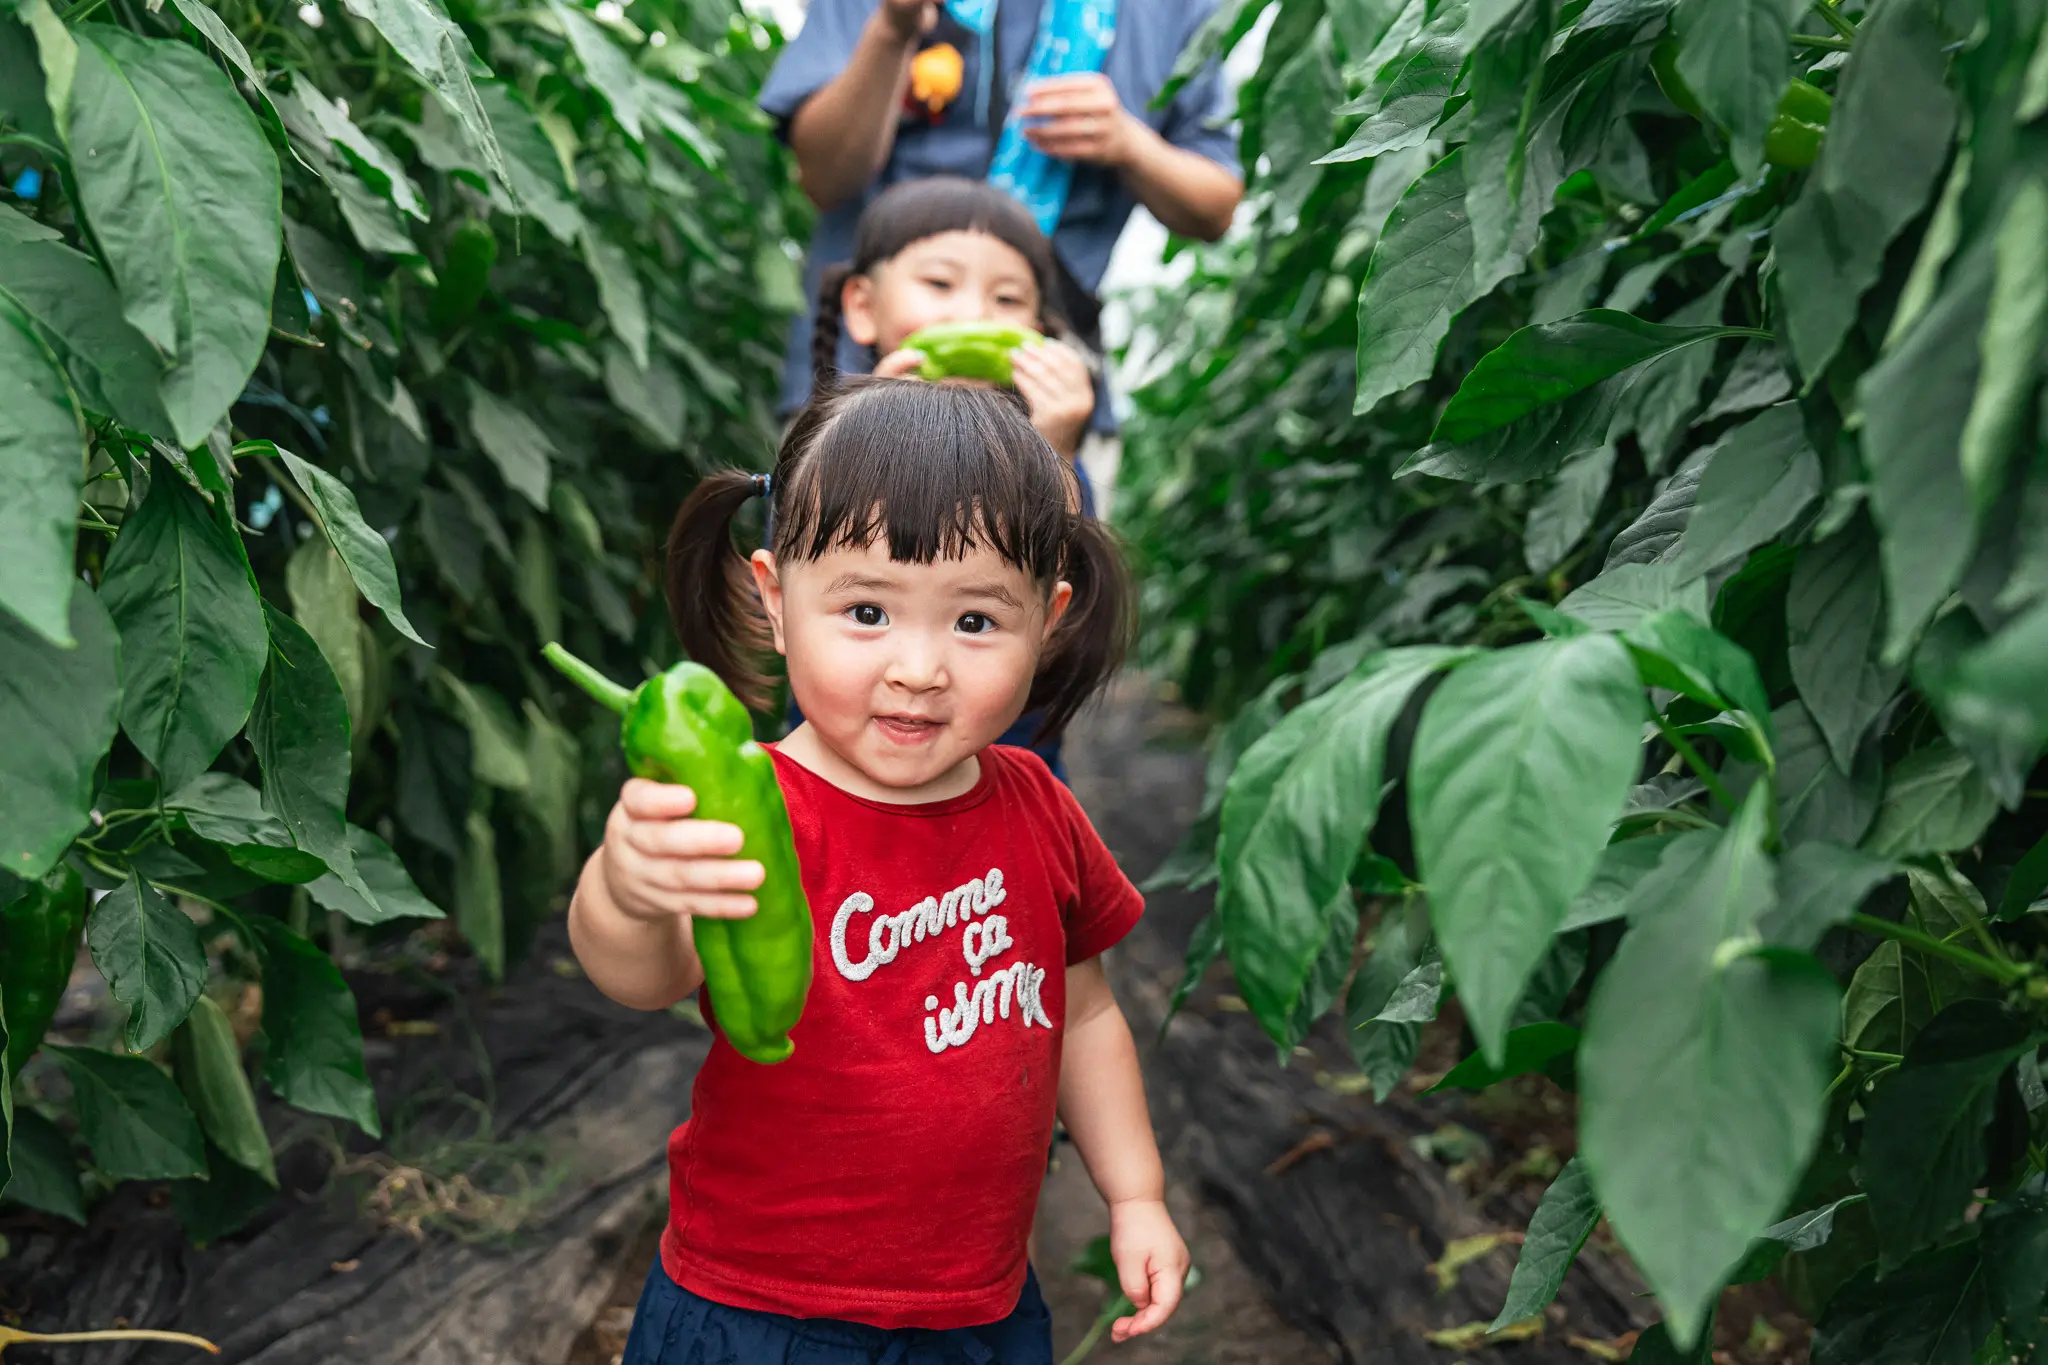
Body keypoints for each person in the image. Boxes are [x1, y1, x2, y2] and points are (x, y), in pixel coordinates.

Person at [573, 378, 1189, 1363]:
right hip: (760, 1312)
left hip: (975, 1307)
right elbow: (642, 976)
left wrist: (1135, 1194)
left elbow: (1085, 1015)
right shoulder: (750, 802)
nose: (918, 667)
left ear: (1049, 618)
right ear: (775, 601)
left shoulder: (1036, 806)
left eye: (975, 622)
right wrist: (626, 885)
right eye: (866, 610)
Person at [759, 0, 1244, 428]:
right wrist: (893, 26)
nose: (970, 312)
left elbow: (1217, 204)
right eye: (943, 285)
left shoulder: (1179, 9)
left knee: (1033, 523)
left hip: (1043, 397)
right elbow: (822, 177)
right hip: (854, 371)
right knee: (839, 514)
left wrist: (1131, 144)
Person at [792, 175, 1098, 780]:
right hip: (845, 764)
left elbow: (1064, 621)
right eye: (939, 285)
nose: (973, 315)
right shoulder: (826, 446)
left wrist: (1056, 451)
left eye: (1007, 300)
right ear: (862, 306)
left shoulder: (1047, 450)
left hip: (1009, 765)